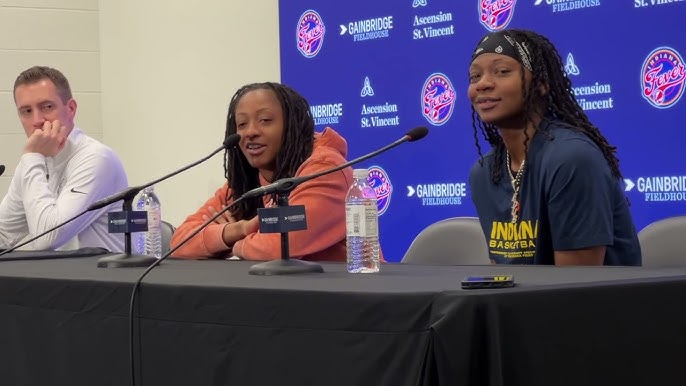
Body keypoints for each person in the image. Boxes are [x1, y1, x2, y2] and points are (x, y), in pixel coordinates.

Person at [467, 29, 641, 266]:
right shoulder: (485, 172)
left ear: (540, 84)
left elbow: (575, 288)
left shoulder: (571, 159)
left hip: (593, 302)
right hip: (521, 302)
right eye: (475, 77)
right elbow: (502, 272)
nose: (483, 84)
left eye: (502, 72)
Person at [171, 82, 354, 261]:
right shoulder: (244, 184)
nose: (250, 132)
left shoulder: (326, 170)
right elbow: (180, 242)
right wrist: (237, 230)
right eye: (242, 124)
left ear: (291, 125)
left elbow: (278, 246)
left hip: (339, 289)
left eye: (265, 120)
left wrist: (233, 243)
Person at [0, 66, 128, 252]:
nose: (37, 120)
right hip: (58, 277)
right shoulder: (33, 162)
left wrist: (32, 157)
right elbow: (4, 234)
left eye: (47, 107)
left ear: (71, 109)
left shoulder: (96, 159)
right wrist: (33, 158)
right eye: (26, 111)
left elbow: (47, 239)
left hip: (103, 278)